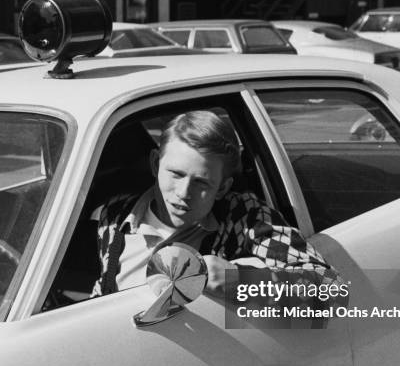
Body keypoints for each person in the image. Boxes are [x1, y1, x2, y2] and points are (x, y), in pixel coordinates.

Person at [91, 110, 342, 299]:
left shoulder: (244, 218)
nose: (183, 193)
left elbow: (330, 290)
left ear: (222, 187)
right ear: (156, 164)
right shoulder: (115, 215)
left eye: (201, 183)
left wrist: (240, 280)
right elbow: (102, 290)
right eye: (176, 174)